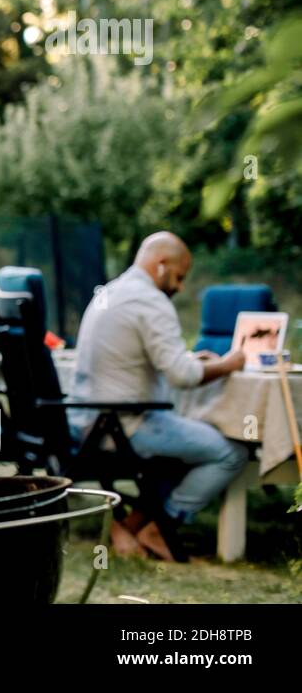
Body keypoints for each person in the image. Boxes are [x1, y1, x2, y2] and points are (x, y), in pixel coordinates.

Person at [70, 231, 248, 560]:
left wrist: (198, 361)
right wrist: (229, 364)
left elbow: (157, 361)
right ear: (161, 265)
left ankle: (133, 525)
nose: (180, 287)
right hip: (124, 426)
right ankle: (164, 524)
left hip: (87, 421)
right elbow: (182, 376)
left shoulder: (111, 292)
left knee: (192, 440)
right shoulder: (150, 301)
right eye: (179, 277)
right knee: (231, 452)